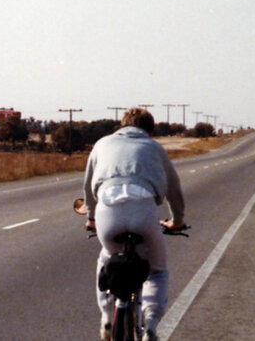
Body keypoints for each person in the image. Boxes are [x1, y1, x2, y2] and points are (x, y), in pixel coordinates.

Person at [83, 108, 186, 341]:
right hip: (144, 212)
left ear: (122, 125)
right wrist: (177, 221)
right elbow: (174, 190)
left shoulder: (101, 144)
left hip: (107, 211)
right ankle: (150, 327)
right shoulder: (155, 148)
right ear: (149, 131)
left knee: (106, 259)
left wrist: (91, 218)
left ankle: (107, 318)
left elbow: (88, 185)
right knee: (157, 271)